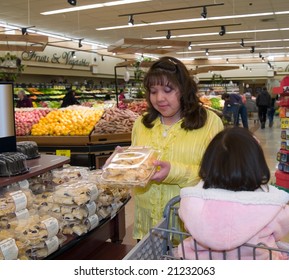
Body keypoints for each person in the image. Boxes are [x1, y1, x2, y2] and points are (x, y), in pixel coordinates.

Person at [131, 56, 224, 240]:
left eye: (168, 90)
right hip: (147, 229)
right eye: (153, 91)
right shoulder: (141, 124)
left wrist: (174, 171)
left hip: (189, 233)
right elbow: (137, 169)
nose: (159, 98)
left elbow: (219, 177)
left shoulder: (209, 123)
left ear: (184, 89)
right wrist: (122, 165)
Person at [176, 127, 289, 260]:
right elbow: (280, 232)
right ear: (256, 164)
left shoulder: (192, 202)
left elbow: (189, 227)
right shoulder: (274, 205)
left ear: (208, 163)